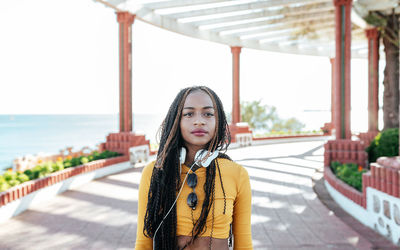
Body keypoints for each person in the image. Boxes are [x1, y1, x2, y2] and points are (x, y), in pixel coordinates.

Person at [135, 86, 252, 250]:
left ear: (218, 121)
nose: (199, 121)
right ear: (176, 120)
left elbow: (244, 244)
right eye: (189, 114)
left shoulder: (236, 173)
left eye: (208, 114)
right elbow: (143, 243)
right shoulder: (154, 172)